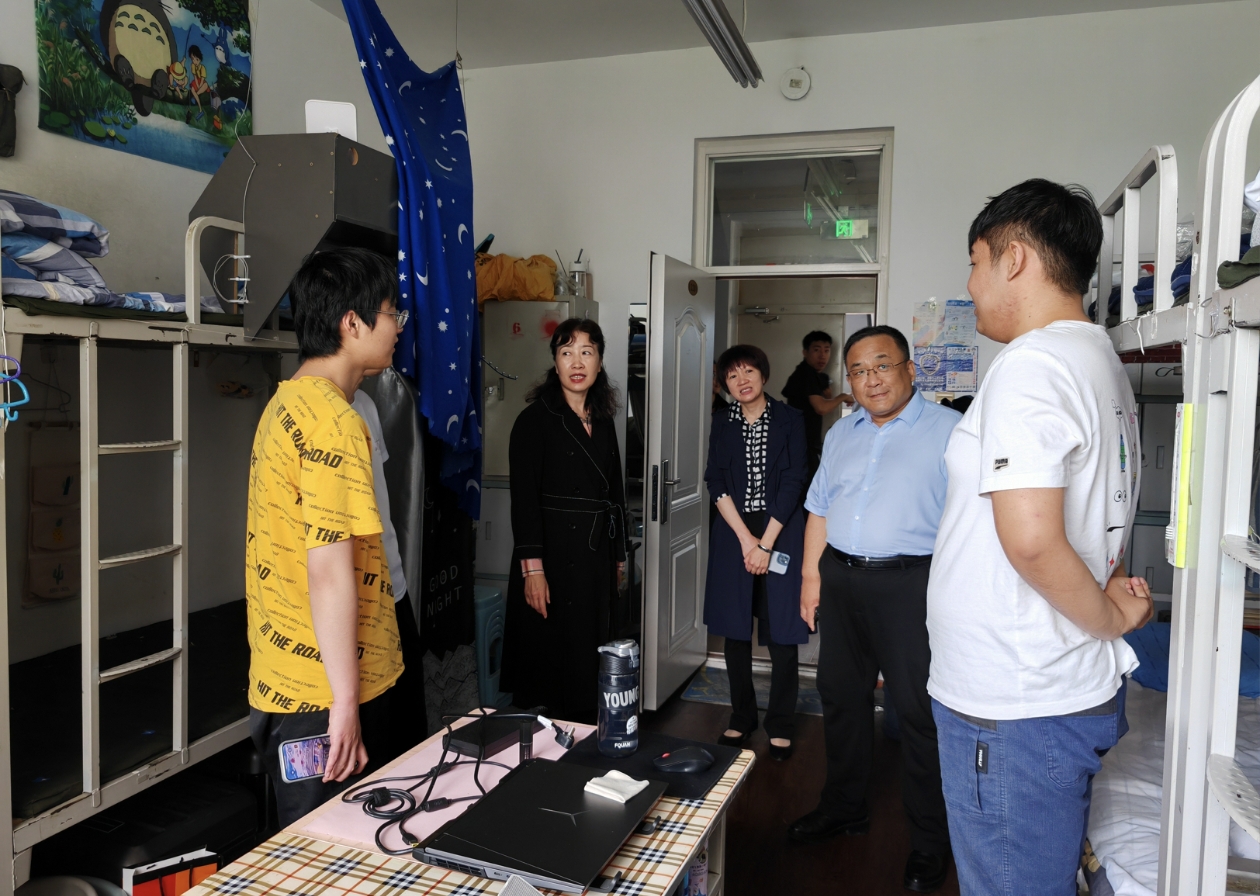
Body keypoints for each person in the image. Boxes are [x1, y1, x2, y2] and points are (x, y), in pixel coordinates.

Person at [927, 179, 1153, 895]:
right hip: (1046, 690)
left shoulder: (1032, 365)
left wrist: (1108, 615)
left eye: (975, 263)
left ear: (1015, 258)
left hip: (1014, 703)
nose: (970, 284)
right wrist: (1102, 596)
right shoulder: (1096, 360)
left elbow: (1030, 540)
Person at [792, 324, 960, 894]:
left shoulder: (951, 431)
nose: (872, 380)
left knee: (917, 712)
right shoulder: (843, 432)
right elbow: (819, 508)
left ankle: (930, 840)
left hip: (911, 584)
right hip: (841, 578)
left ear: (910, 369)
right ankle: (844, 807)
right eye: (859, 371)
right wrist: (811, 579)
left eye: (882, 366)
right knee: (840, 696)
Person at [245, 246, 405, 826]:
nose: (398, 327)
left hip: (288, 682)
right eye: (391, 313)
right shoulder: (336, 423)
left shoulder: (286, 403)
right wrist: (345, 705)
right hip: (322, 697)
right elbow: (330, 572)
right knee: (332, 849)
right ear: (351, 323)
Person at [500, 318, 628, 725]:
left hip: (594, 554)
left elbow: (615, 491)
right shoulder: (533, 420)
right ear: (554, 363)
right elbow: (523, 503)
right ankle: (548, 741)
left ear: (599, 362)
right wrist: (532, 571)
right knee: (550, 660)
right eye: (567, 352)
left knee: (589, 651)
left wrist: (619, 555)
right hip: (551, 558)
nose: (577, 362)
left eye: (586, 352)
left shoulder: (603, 418)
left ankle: (586, 733)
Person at [703, 345, 810, 761]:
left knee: (782, 630)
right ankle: (742, 716)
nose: (741, 380)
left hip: (780, 528)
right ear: (725, 384)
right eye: (732, 376)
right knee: (734, 630)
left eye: (748, 371)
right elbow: (715, 480)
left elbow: (795, 480)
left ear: (763, 375)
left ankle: (780, 724)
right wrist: (747, 541)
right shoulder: (722, 421)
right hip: (734, 532)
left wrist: (766, 542)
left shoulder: (790, 418)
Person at [351, 384, 428, 760]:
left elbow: (379, 500)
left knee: (408, 732)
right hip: (357, 604)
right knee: (373, 739)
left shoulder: (364, 404)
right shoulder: (322, 414)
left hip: (392, 589)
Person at [781, 330, 853, 479]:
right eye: (816, 350)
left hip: (802, 443)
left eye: (826, 350)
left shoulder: (811, 374)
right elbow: (821, 408)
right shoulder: (806, 374)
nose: (822, 356)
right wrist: (843, 397)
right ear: (805, 352)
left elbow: (820, 404)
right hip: (802, 445)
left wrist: (827, 397)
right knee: (807, 485)